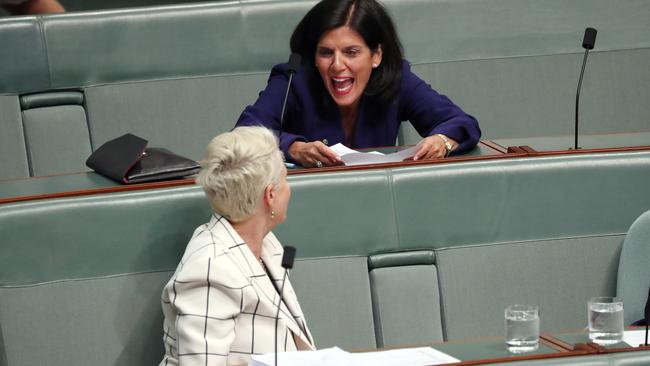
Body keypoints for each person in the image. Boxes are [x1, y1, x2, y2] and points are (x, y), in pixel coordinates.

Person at [236, 0, 481, 168]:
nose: (337, 65)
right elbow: (245, 133)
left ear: (376, 56)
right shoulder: (294, 79)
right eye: (326, 53)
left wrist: (442, 141)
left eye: (351, 52)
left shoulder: (396, 78)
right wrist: (294, 148)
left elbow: (461, 123)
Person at [158, 126, 315, 366]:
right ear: (270, 195)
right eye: (285, 178)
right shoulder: (209, 270)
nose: (289, 188)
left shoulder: (265, 244)